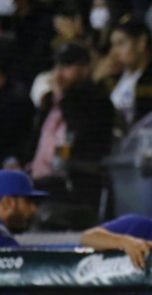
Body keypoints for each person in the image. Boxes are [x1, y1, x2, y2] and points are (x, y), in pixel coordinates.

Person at [29, 42, 116, 230]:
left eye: (67, 66)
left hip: (74, 182)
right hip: (40, 178)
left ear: (85, 69)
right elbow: (33, 141)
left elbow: (82, 130)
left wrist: (63, 98)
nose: (59, 73)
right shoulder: (50, 102)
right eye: (58, 66)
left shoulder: (98, 100)